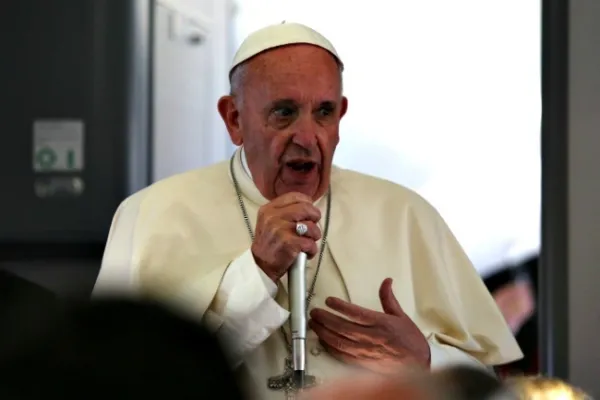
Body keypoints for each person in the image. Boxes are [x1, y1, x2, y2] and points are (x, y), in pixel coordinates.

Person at [92, 22, 522, 399]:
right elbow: (123, 376)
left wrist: (425, 359)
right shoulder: (153, 214)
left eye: (324, 112)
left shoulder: (406, 214)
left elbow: (485, 382)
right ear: (234, 119)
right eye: (284, 112)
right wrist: (256, 271)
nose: (307, 136)